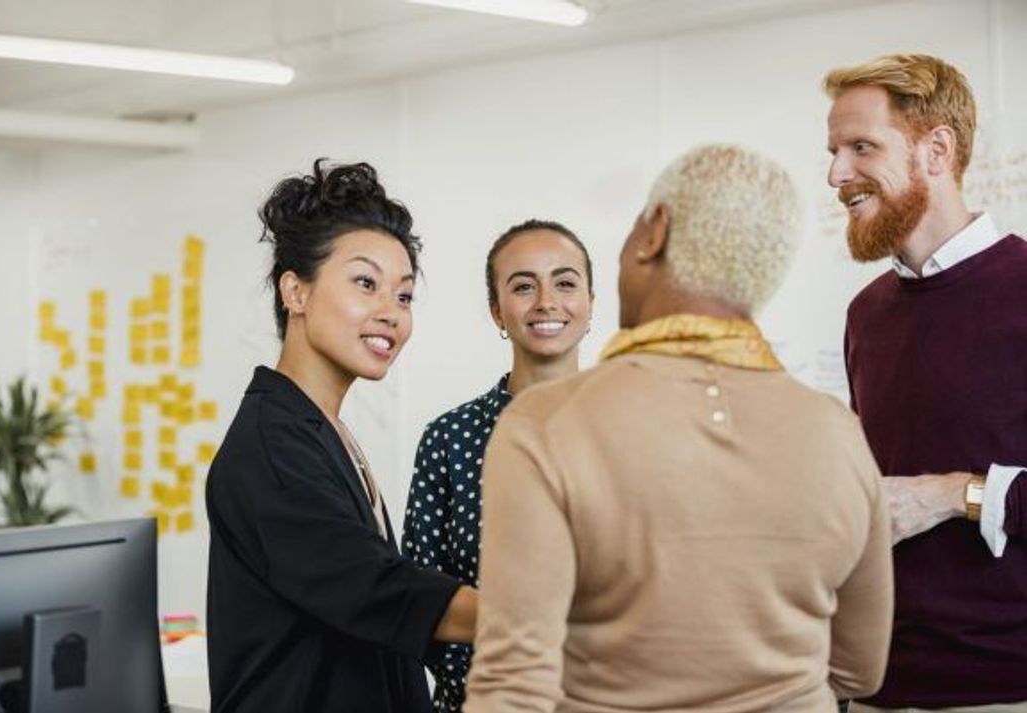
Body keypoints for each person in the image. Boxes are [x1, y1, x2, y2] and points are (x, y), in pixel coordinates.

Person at [465, 143, 894, 713]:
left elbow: (512, 688)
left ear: (654, 231)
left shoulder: (545, 425)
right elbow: (859, 669)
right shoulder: (837, 434)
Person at [205, 159, 477, 712]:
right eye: (364, 284)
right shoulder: (272, 448)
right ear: (295, 292)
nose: (390, 314)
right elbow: (375, 589)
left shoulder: (319, 428)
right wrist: (558, 619)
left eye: (403, 296)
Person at [825, 54, 1027, 711]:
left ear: (936, 149)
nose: (836, 175)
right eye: (833, 151)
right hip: (873, 687)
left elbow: (924, 497)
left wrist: (955, 494)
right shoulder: (866, 313)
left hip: (1001, 689)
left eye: (862, 147)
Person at [402, 219, 594, 712]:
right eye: (524, 286)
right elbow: (419, 596)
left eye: (565, 282)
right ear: (497, 312)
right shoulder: (450, 440)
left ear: (590, 305)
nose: (547, 301)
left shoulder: (633, 431)